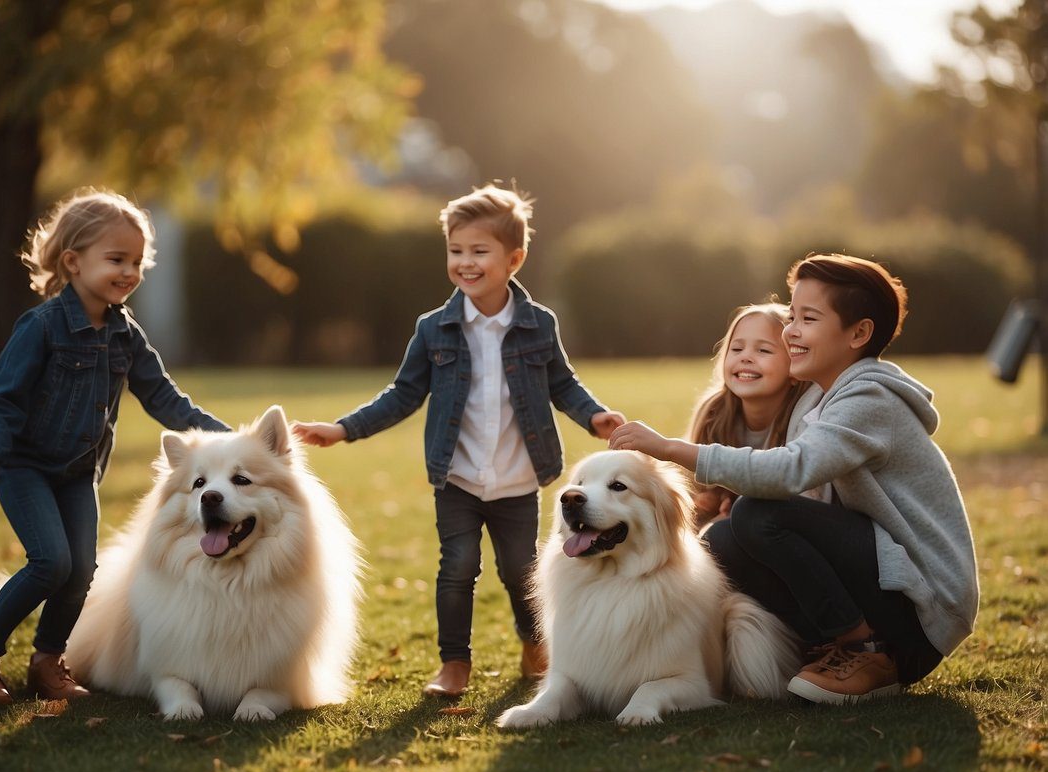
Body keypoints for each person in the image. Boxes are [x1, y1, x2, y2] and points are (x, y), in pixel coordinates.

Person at [293, 184, 624, 697]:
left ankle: (535, 643)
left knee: (521, 571)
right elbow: (402, 394)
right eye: (456, 251)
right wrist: (343, 429)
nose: (465, 263)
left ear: (514, 259)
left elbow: (562, 383)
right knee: (458, 567)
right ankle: (454, 665)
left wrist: (594, 416)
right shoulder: (434, 330)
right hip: (458, 476)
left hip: (518, 476)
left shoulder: (539, 324)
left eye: (479, 251)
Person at [609, 253, 978, 704]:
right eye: (793, 315)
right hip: (886, 584)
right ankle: (821, 648)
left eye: (808, 318)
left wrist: (668, 448)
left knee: (758, 515)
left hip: (923, 610)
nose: (791, 330)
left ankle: (864, 650)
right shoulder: (824, 399)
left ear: (858, 333)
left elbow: (789, 472)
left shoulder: (869, 396)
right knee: (724, 541)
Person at [0, 189, 230, 705]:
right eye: (116, 259)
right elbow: (4, 395)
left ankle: (48, 660)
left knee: (80, 569)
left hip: (78, 472)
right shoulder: (41, 327)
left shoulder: (127, 336)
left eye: (137, 262)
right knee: (50, 562)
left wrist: (227, 439)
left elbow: (167, 398)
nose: (129, 271)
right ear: (73, 262)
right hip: (23, 464)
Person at [686, 302, 810, 529]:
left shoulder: (805, 419)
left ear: (795, 369)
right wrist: (712, 500)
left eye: (763, 350)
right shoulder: (714, 412)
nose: (746, 357)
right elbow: (696, 489)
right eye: (737, 349)